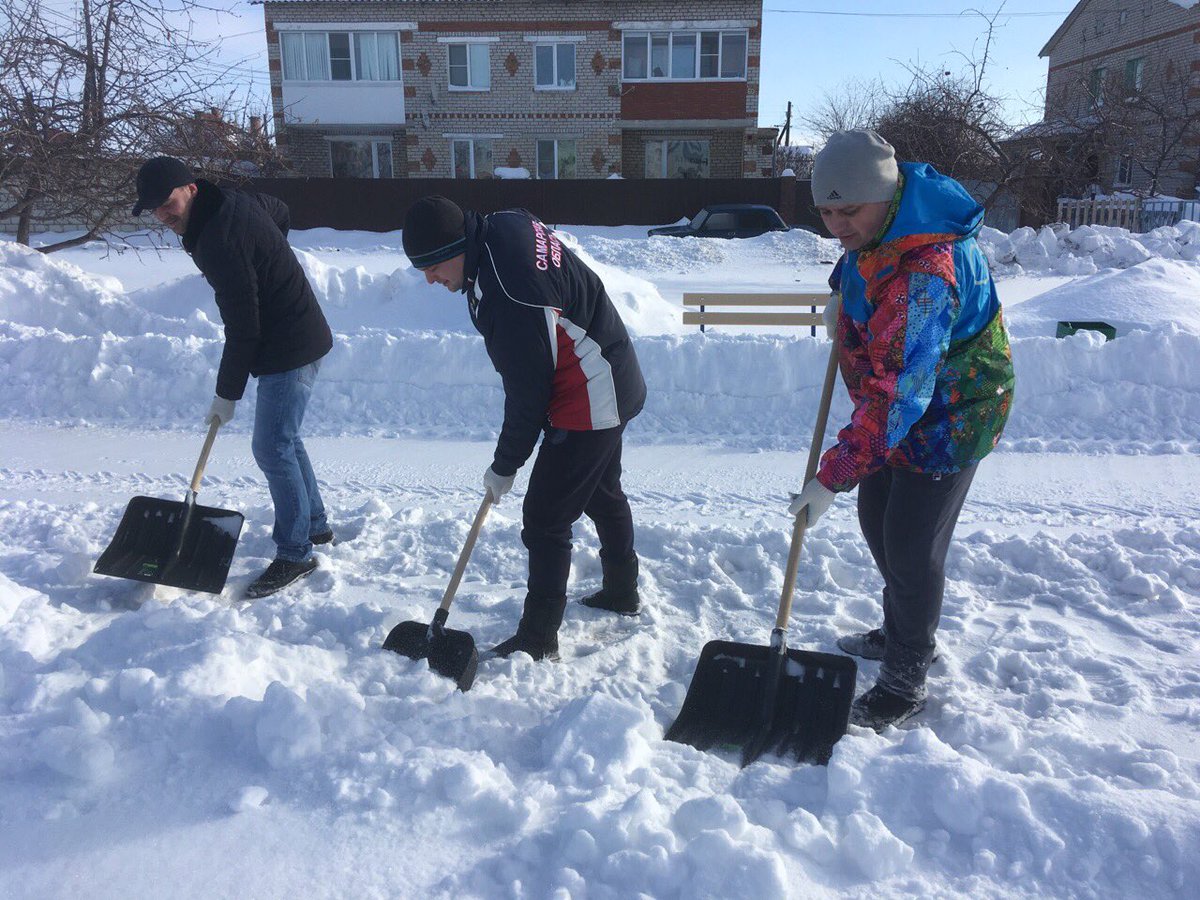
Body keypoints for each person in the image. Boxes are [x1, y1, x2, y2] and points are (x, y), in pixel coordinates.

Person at [788, 131, 1015, 730]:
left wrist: (830, 477)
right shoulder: (883, 221)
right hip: (904, 405)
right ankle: (899, 629)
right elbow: (860, 257)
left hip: (954, 414)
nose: (838, 224)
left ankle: (906, 674)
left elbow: (898, 399)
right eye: (827, 211)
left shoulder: (925, 274)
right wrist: (843, 290)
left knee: (912, 548)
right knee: (878, 522)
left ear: (885, 199)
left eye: (848, 211)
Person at [401, 196, 646, 660]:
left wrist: (505, 465)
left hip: (592, 392)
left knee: (545, 517)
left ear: (458, 244)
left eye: (432, 266)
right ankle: (621, 589)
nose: (429, 278)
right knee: (601, 490)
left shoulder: (509, 290)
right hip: (610, 368)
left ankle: (537, 639)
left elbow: (528, 395)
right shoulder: (502, 225)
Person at [132, 156, 335, 599]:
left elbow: (243, 326)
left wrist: (227, 394)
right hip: (299, 332)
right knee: (286, 440)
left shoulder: (220, 240)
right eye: (156, 211)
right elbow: (278, 210)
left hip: (290, 345)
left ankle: (296, 554)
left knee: (271, 445)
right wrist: (269, 257)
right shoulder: (230, 202)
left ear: (191, 189)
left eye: (168, 205)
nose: (165, 217)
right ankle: (315, 526)